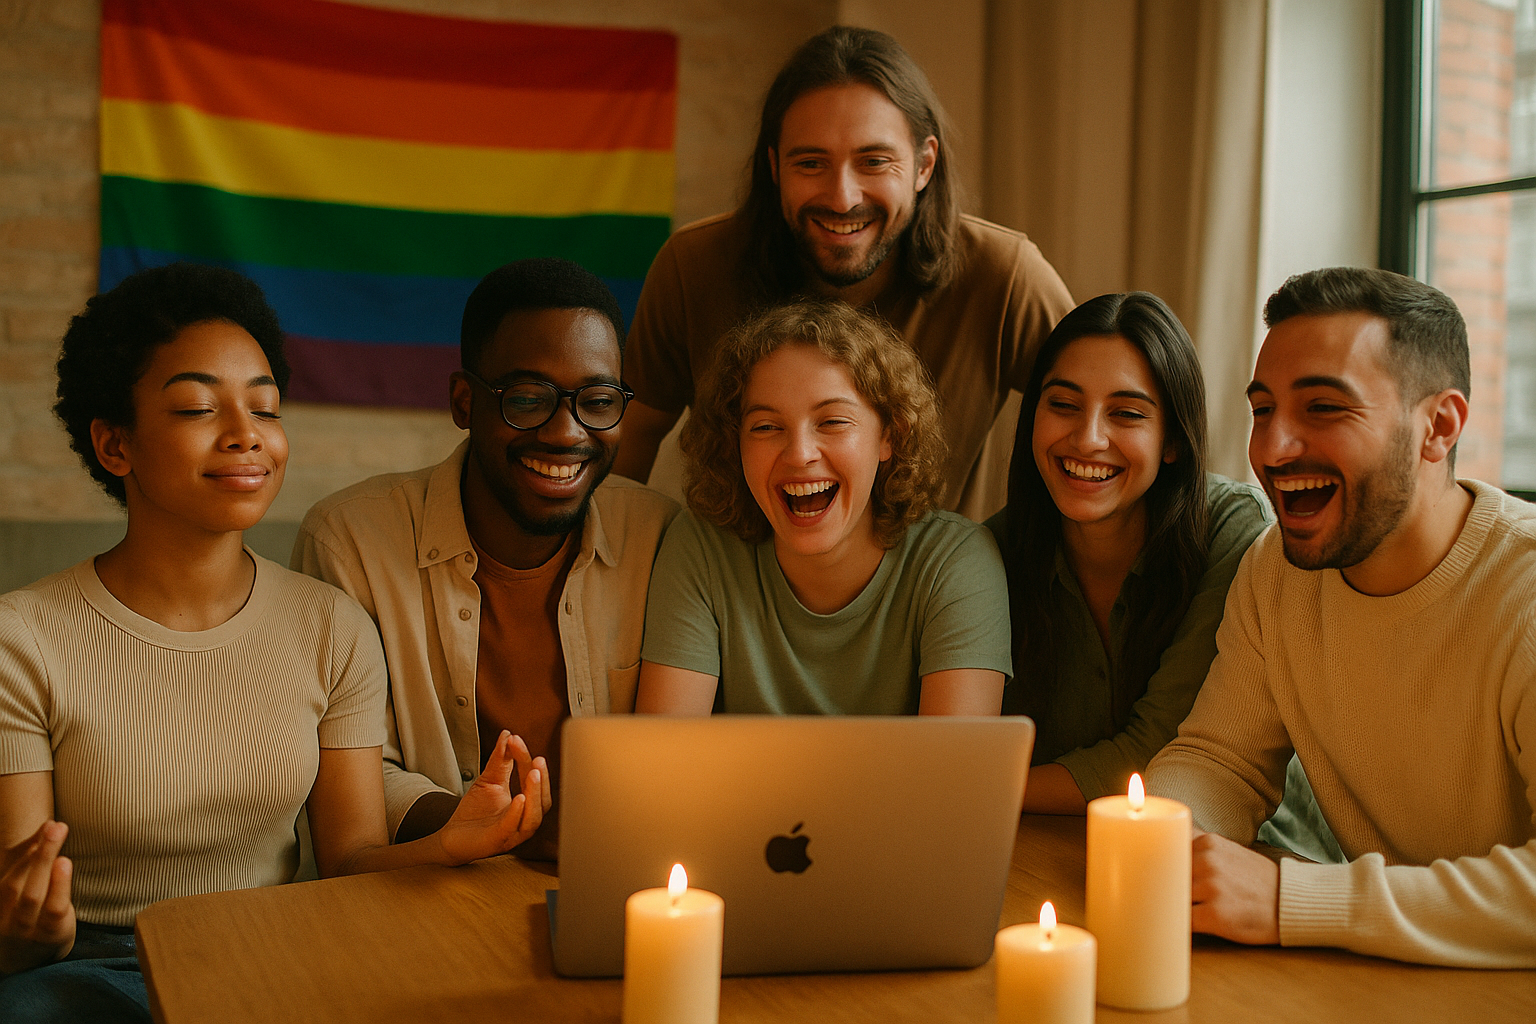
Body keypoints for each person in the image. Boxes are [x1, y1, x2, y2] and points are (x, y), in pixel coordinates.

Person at [0, 264, 549, 1021]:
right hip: (86, 970)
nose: (246, 435)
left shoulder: (331, 629)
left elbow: (350, 862)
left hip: (271, 952)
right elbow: (20, 910)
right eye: (198, 407)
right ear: (114, 444)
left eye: (265, 406)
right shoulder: (22, 640)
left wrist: (458, 839)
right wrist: (30, 936)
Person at [1146, 267, 1536, 968]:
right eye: (1263, 410)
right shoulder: (1275, 570)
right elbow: (1220, 759)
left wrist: (1290, 901)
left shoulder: (1525, 593)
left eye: (1323, 408)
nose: (1270, 449)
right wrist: (1164, 837)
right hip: (1386, 983)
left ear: (1438, 428)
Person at [293, 259, 679, 859]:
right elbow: (361, 774)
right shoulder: (351, 541)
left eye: (598, 401)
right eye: (528, 399)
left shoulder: (661, 538)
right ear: (463, 402)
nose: (567, 432)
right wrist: (494, 829)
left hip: (615, 883)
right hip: (428, 891)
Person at [615, 25, 1074, 521]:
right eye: (811, 163)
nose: (843, 197)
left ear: (924, 165)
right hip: (732, 592)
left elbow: (1101, 421)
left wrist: (1011, 553)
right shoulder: (694, 266)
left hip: (929, 591)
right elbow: (624, 446)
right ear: (774, 166)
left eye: (874, 161)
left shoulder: (1003, 276)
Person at [635, 298, 1009, 716]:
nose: (799, 454)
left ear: (890, 436)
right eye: (765, 427)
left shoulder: (956, 561)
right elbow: (666, 765)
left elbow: (957, 774)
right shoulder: (699, 548)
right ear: (733, 443)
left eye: (832, 421)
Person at [987, 293, 1273, 814]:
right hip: (1050, 847)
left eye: (1126, 413)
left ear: (1173, 441)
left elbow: (1167, 750)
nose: (1089, 438)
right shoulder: (988, 555)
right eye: (1064, 405)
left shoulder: (1234, 529)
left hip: (1241, 855)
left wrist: (976, 792)